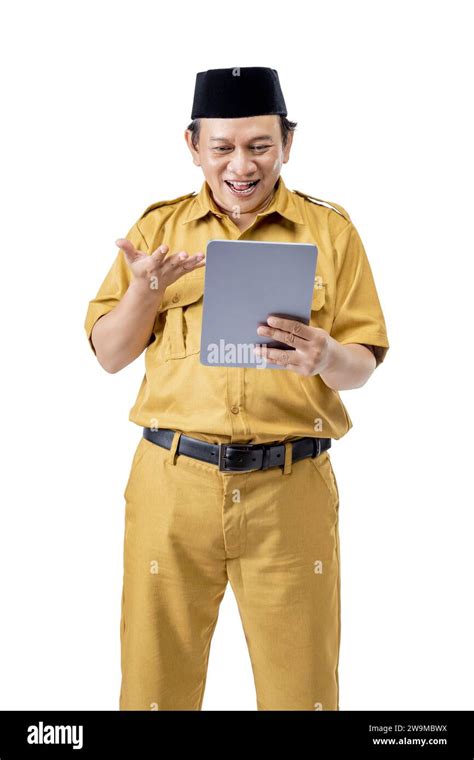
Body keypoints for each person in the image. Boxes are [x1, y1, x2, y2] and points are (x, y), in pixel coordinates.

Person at [84, 66, 390, 711]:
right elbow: (110, 355)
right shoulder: (156, 232)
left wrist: (327, 354)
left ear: (288, 142)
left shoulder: (331, 231)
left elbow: (361, 365)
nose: (240, 165)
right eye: (222, 148)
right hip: (172, 484)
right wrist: (145, 289)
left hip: (291, 488)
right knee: (153, 690)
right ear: (193, 146)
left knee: (301, 692)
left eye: (260, 145)